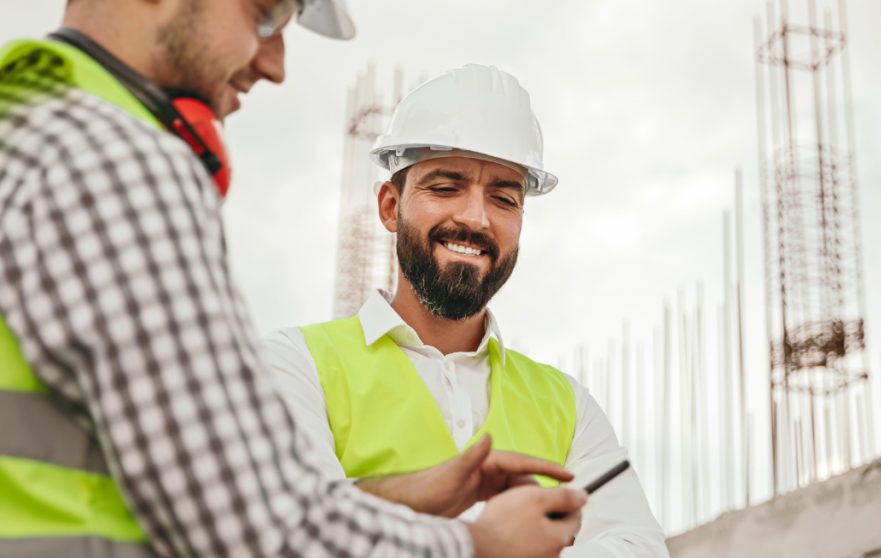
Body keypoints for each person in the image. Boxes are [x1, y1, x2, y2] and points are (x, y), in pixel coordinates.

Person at [0, 1, 587, 556]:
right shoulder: (119, 161)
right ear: (391, 204)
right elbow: (246, 523)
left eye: (504, 196)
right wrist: (481, 546)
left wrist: (405, 498)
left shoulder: (26, 121)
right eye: (265, 14)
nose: (275, 64)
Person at [262, 64, 670, 557]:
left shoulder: (568, 407)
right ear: (390, 207)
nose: (475, 218)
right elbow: (291, 535)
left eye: (503, 198)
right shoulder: (292, 367)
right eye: (445, 187)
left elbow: (639, 549)